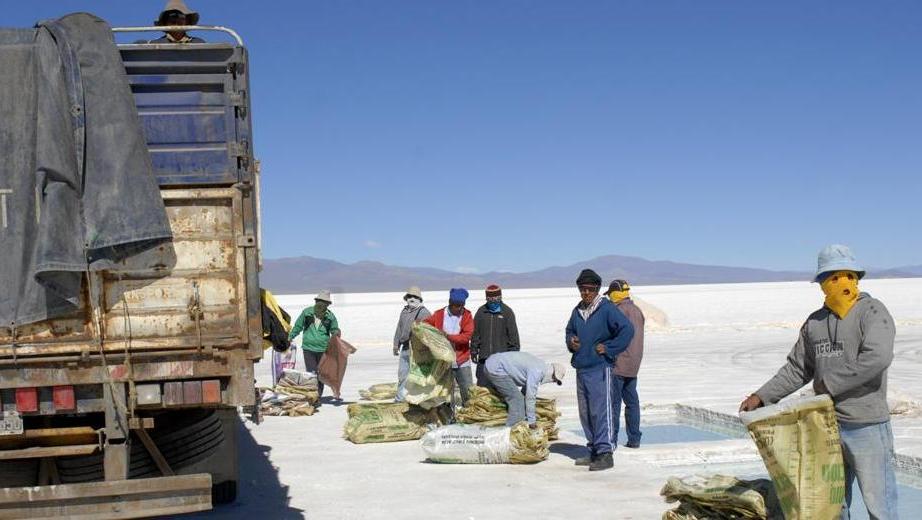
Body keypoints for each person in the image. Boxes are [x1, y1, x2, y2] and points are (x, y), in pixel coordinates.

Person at [739, 245, 898, 519]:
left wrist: (829, 384)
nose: (840, 283)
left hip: (867, 426)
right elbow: (797, 368)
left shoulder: (872, 312)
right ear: (822, 283)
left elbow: (877, 358)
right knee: (833, 505)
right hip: (826, 428)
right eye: (832, 277)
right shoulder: (815, 323)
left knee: (879, 505)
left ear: (856, 278)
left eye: (846, 275)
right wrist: (761, 396)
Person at [565, 269, 634, 472]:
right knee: (586, 413)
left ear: (596, 290)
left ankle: (605, 453)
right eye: (582, 289)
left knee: (600, 411)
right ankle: (594, 449)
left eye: (590, 289)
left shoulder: (606, 309)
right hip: (582, 367)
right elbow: (570, 330)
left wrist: (610, 348)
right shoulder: (577, 310)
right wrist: (571, 341)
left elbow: (627, 329)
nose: (585, 293)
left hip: (600, 367)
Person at [607, 279, 645, 449]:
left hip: (618, 364)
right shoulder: (637, 310)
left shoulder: (618, 311)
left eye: (610, 295)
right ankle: (634, 439)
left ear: (615, 294)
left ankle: (611, 440)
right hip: (634, 364)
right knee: (632, 402)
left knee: (613, 404)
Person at [485, 351, 566, 428]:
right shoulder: (537, 372)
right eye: (555, 380)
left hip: (493, 363)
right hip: (496, 369)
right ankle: (511, 430)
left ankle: (513, 422)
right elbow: (530, 398)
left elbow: (526, 392)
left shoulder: (540, 366)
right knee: (517, 400)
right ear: (553, 374)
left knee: (518, 399)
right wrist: (532, 421)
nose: (553, 382)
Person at [425, 288, 475, 407]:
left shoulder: (467, 315)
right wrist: (420, 325)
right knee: (446, 391)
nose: (459, 308)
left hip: (461, 359)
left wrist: (448, 336)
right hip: (443, 360)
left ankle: (469, 412)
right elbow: (427, 324)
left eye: (461, 306)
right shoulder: (439, 314)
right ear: (450, 303)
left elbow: (466, 336)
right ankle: (448, 415)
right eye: (456, 305)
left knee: (468, 390)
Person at [288, 290, 341, 402]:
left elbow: (334, 329)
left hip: (323, 349)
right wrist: (291, 336)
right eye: (320, 301)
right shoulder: (307, 313)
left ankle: (318, 395)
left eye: (325, 302)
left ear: (327, 304)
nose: (322, 304)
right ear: (316, 301)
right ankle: (313, 396)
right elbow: (298, 326)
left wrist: (336, 333)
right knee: (312, 373)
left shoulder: (330, 317)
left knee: (321, 373)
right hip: (308, 348)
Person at [471, 284, 521, 391]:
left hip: (502, 361)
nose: (493, 302)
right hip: (484, 359)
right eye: (490, 299)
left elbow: (513, 337)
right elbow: (475, 333)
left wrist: (513, 357)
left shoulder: (507, 312)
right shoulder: (481, 312)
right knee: (482, 391)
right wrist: (474, 350)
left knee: (502, 390)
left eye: (496, 299)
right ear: (487, 299)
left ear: (500, 298)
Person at [392, 286, 431, 402]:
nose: (412, 299)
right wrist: (396, 344)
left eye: (415, 297)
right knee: (402, 374)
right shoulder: (404, 311)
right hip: (405, 347)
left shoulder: (424, 313)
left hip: (417, 349)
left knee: (417, 376)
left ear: (419, 299)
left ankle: (418, 400)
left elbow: (428, 332)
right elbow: (399, 328)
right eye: (409, 296)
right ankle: (400, 399)